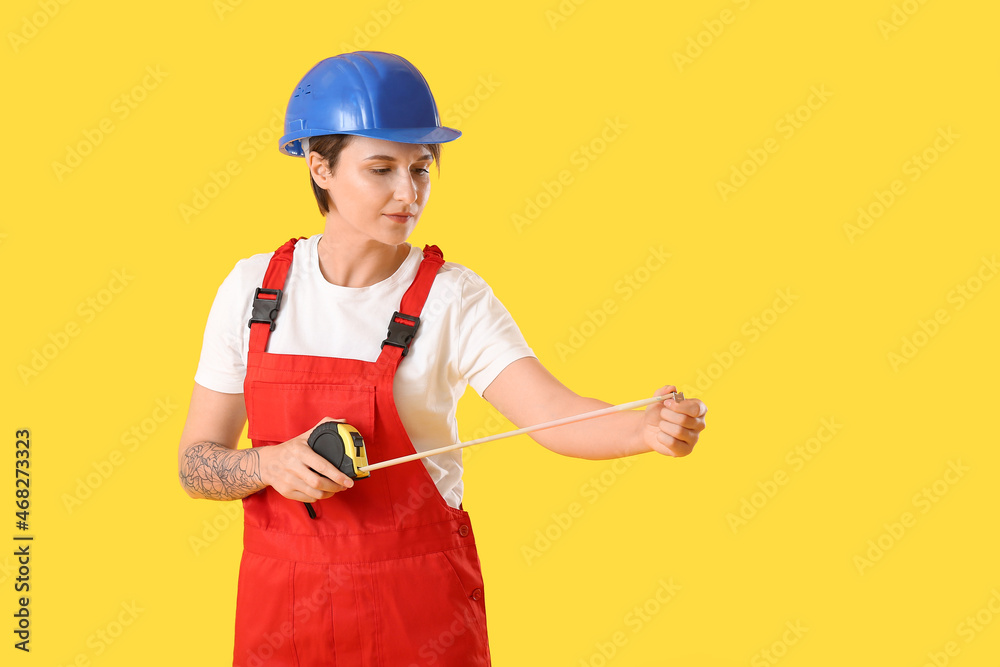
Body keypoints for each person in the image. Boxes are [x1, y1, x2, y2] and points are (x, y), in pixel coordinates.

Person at [177, 51, 707, 667]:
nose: (409, 193)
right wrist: (267, 466)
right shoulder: (251, 291)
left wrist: (643, 427)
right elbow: (195, 465)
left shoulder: (452, 297)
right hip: (282, 618)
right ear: (319, 167)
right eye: (381, 169)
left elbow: (553, 413)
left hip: (415, 614)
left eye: (420, 169)